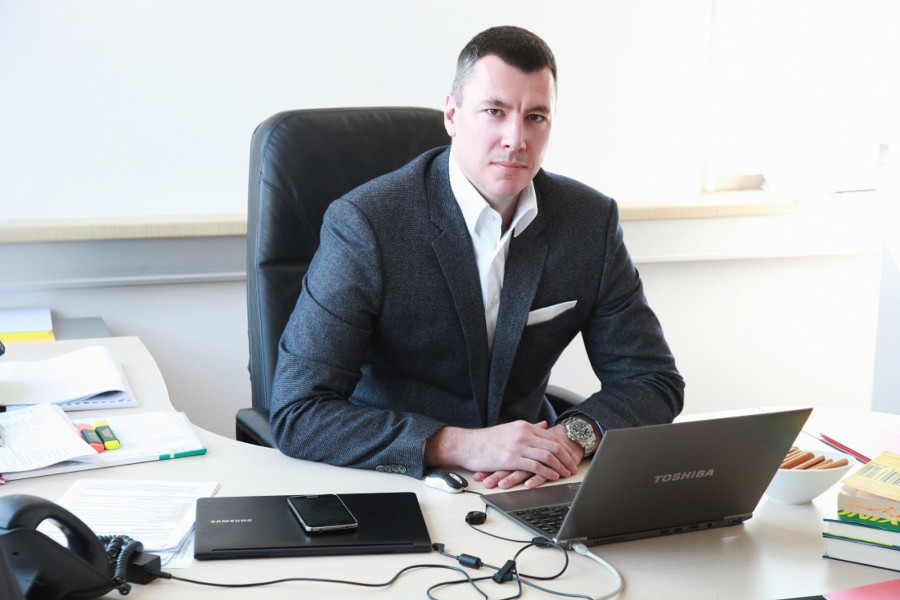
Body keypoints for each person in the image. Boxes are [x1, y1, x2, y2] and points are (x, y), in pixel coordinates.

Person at [270, 25, 684, 490]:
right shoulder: (367, 224)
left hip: (526, 484)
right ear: (452, 114)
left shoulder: (589, 222)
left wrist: (569, 439)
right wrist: (462, 445)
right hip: (395, 482)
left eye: (535, 117)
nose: (516, 139)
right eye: (494, 111)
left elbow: (653, 380)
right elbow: (298, 412)